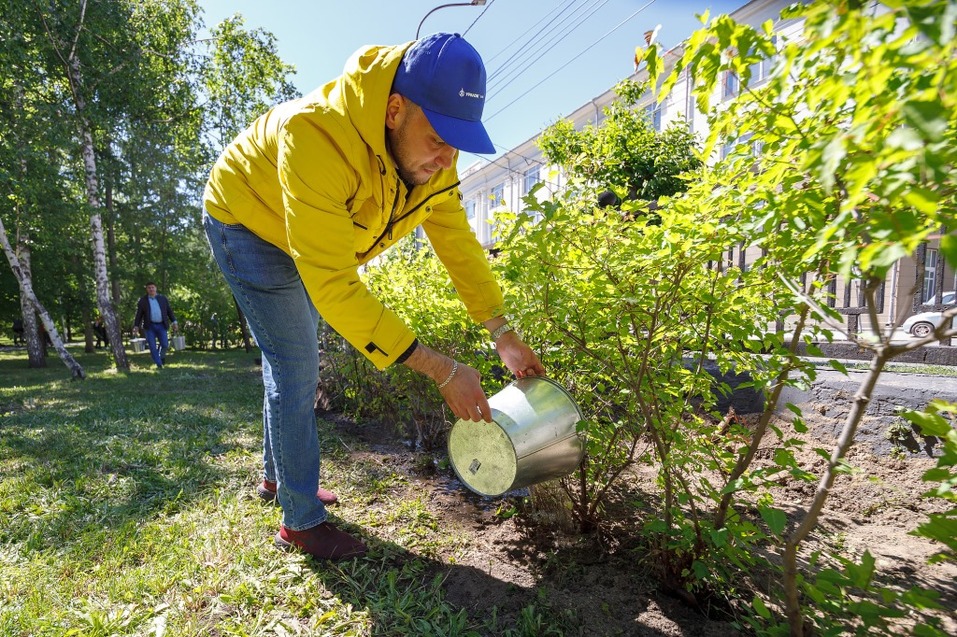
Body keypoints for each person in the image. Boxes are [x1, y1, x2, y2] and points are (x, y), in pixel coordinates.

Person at [202, 32, 545, 561]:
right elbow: (335, 284)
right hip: (247, 220)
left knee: (290, 362)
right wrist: (441, 369)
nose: (447, 157)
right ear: (393, 110)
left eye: (459, 141)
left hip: (301, 230)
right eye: (438, 138)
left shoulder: (437, 165)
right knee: (295, 366)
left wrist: (504, 333)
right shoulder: (316, 135)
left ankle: (280, 481)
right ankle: (301, 521)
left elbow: (459, 246)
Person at [133, 282, 178, 368]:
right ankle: (159, 364)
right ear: (147, 289)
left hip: (162, 325)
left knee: (165, 344)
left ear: (156, 288)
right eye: (149, 288)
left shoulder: (162, 299)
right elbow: (139, 314)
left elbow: (169, 311)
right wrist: (136, 326)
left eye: (152, 287)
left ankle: (161, 357)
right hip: (149, 327)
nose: (151, 289)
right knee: (152, 346)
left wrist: (174, 322)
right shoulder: (143, 300)